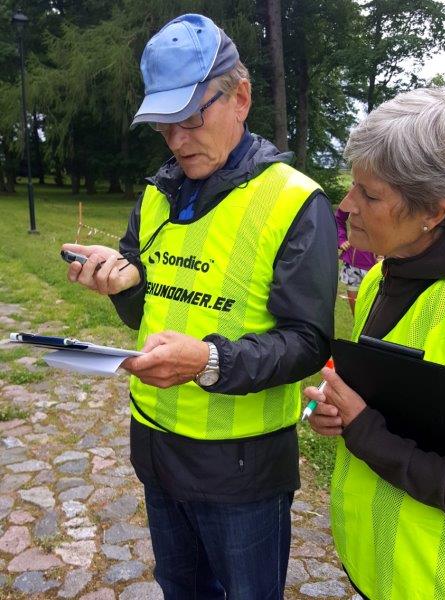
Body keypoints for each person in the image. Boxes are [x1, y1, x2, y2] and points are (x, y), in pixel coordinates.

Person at [62, 13, 337, 600]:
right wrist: (120, 284)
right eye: (164, 125)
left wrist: (208, 362)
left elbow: (309, 341)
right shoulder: (157, 193)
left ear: (241, 98)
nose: (177, 140)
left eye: (190, 119)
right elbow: (147, 312)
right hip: (156, 445)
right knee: (180, 589)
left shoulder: (294, 201)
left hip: (243, 471)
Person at [304, 87, 445, 600]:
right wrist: (336, 411)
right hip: (376, 568)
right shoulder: (381, 276)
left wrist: (362, 428)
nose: (346, 205)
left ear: (432, 211)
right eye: (353, 185)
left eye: (369, 195)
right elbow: (383, 404)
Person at [336, 206, 377, 314]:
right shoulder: (353, 199)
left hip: (378, 266)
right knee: (357, 314)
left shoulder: (391, 199)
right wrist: (341, 239)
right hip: (352, 264)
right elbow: (338, 219)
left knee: (374, 312)